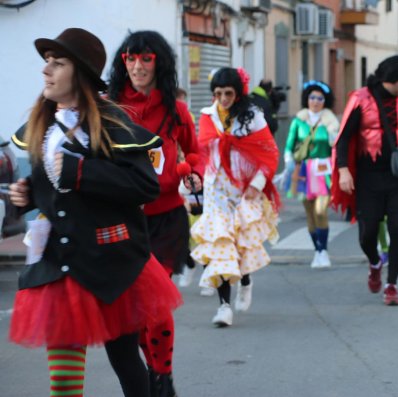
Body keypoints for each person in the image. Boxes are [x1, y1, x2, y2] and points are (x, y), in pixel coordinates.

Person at [8, 28, 182, 397]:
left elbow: (144, 186)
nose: (46, 71)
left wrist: (82, 172)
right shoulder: (41, 126)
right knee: (64, 380)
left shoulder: (113, 124)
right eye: (46, 63)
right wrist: (28, 197)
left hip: (112, 264)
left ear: (82, 73)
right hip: (59, 266)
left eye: (58, 63)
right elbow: (51, 190)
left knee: (126, 363)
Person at [108, 30, 200, 396]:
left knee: (155, 305)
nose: (137, 65)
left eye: (146, 58)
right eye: (131, 57)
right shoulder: (109, 108)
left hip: (166, 219)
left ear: (159, 63)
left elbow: (196, 153)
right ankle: (152, 376)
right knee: (136, 312)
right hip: (123, 220)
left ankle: (162, 378)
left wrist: (192, 172)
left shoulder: (176, 111)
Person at [331, 55, 398, 306]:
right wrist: (343, 170)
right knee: (367, 232)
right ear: (389, 79)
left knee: (396, 227)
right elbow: (344, 137)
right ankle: (374, 262)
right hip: (368, 174)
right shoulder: (360, 99)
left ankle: (392, 285)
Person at [191, 67, 280, 326]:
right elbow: (202, 150)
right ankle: (224, 307)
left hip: (244, 188)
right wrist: (192, 180)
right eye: (218, 93)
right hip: (216, 187)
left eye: (228, 93)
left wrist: (257, 184)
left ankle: (246, 281)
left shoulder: (253, 116)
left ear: (238, 93)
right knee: (221, 246)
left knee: (241, 246)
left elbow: (268, 153)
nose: (223, 98)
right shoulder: (207, 116)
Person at [283, 80, 339, 268]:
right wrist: (288, 162)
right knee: (309, 213)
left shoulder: (331, 122)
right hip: (304, 171)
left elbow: (336, 145)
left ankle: (324, 250)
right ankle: (318, 250)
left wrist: (333, 134)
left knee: (321, 211)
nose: (315, 101)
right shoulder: (299, 120)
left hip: (324, 171)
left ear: (325, 101)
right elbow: (289, 145)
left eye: (320, 98)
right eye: (312, 97)